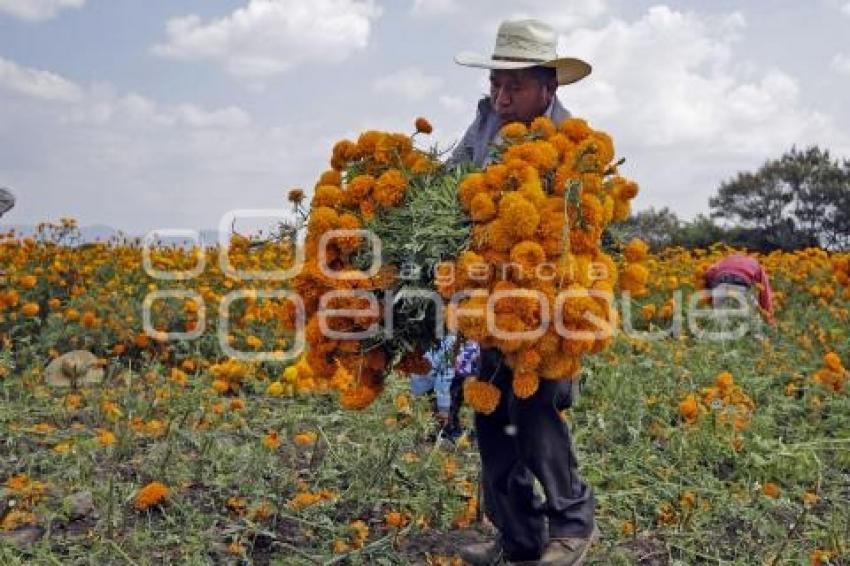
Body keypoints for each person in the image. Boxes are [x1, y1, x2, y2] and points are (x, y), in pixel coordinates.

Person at [449, 18, 598, 566]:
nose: (502, 96)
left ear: (547, 88)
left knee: (535, 408)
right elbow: (452, 185)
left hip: (550, 304)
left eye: (515, 86)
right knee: (490, 417)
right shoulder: (484, 124)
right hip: (486, 298)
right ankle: (520, 540)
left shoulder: (574, 143)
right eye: (496, 83)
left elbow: (584, 228)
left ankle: (573, 525)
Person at [409, 333, 461, 441]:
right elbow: (443, 379)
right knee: (456, 382)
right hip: (430, 385)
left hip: (421, 382)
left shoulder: (441, 333)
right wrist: (443, 409)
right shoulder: (452, 342)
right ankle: (446, 430)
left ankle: (433, 426)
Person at [704, 254, 775, 325]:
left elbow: (709, 273)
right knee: (754, 323)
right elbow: (765, 295)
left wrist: (711, 297)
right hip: (741, 285)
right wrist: (769, 318)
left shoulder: (725, 260)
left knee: (721, 322)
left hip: (721, 284)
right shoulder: (757, 266)